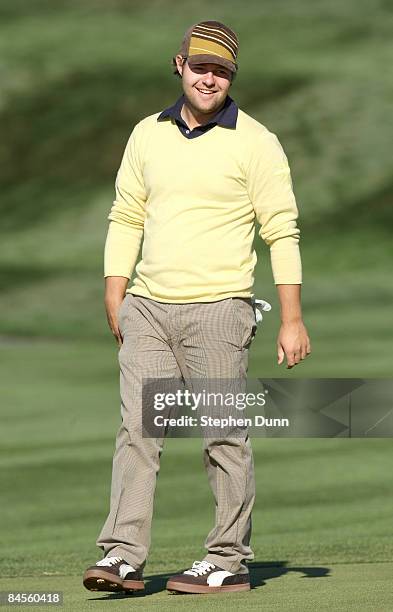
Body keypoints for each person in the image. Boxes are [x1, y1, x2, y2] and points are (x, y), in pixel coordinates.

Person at [83, 20, 311, 596]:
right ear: (179, 65)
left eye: (223, 70)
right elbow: (126, 214)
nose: (211, 77)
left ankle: (228, 560)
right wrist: (116, 285)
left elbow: (280, 230)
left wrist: (291, 316)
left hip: (220, 309)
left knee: (222, 435)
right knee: (137, 432)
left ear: (231, 76)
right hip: (149, 308)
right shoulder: (146, 134)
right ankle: (123, 557)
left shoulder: (255, 141)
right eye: (201, 65)